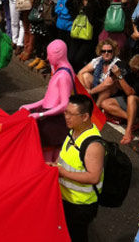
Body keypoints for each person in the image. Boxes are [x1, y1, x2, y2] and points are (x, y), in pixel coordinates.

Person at [53, 94, 105, 242]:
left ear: (85, 117)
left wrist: (63, 173)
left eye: (71, 114)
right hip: (66, 198)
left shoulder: (93, 145)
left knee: (76, 237)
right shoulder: (73, 130)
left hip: (80, 205)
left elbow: (94, 177)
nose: (66, 117)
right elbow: (64, 157)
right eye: (66, 112)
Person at [21, 40, 74, 159]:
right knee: (50, 155)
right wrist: (31, 106)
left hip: (53, 121)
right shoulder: (61, 71)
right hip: (50, 116)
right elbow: (49, 97)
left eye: (49, 54)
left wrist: (40, 114)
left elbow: (65, 104)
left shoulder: (63, 75)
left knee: (48, 157)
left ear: (58, 54)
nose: (48, 58)